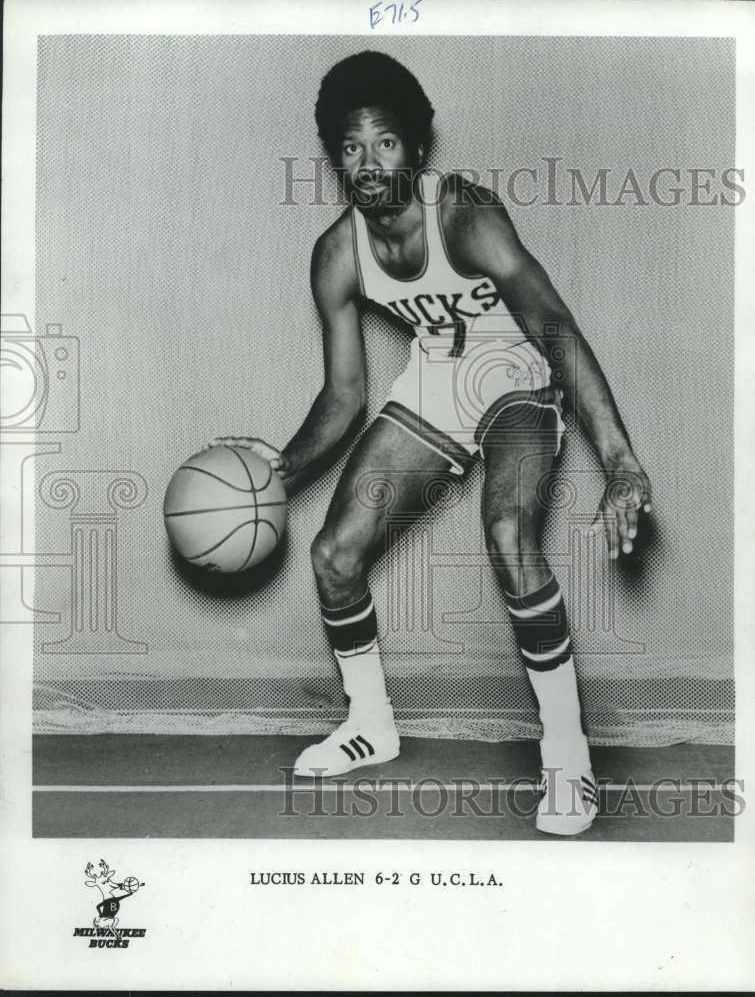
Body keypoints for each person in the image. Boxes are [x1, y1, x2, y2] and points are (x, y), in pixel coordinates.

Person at [209, 51, 652, 835]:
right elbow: (344, 396)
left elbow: (554, 326)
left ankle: (568, 760)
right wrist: (279, 467)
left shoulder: (468, 215)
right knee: (334, 553)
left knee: (509, 531)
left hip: (515, 372)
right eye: (350, 147)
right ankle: (370, 724)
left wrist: (619, 461)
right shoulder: (337, 255)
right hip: (438, 383)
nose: (368, 163)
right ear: (335, 158)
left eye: (384, 142)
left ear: (414, 148)